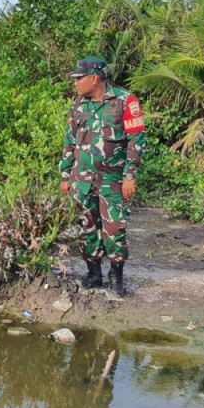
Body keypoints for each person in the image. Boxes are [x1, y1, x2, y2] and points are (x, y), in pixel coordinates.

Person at [59, 57, 145, 297]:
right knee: (87, 227)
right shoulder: (78, 105)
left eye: (79, 78)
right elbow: (69, 141)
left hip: (113, 181)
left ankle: (116, 276)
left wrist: (130, 175)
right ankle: (94, 273)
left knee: (115, 228)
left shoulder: (125, 101)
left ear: (93, 78)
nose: (75, 83)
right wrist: (65, 175)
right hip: (82, 180)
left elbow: (136, 140)